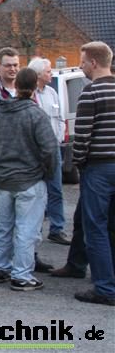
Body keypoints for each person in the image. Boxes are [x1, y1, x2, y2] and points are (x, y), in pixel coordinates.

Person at [0, 67, 59, 291]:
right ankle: (21, 275)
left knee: (3, 227)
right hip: (30, 179)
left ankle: (1, 267)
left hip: (3, 179)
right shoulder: (36, 114)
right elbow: (50, 149)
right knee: (27, 230)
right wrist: (47, 173)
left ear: (15, 86)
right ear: (35, 86)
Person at [71, 41, 115, 306]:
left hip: (98, 167)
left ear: (94, 63)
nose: (81, 66)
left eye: (83, 62)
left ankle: (105, 288)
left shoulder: (91, 92)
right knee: (112, 226)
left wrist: (78, 164)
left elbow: (82, 137)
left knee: (95, 228)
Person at [27, 57, 69, 245]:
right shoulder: (28, 95)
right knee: (35, 192)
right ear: (38, 75)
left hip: (53, 150)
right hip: (34, 153)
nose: (51, 74)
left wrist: (58, 139)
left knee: (56, 190)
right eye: (48, 71)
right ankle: (34, 229)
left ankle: (57, 228)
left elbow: (59, 118)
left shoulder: (52, 92)